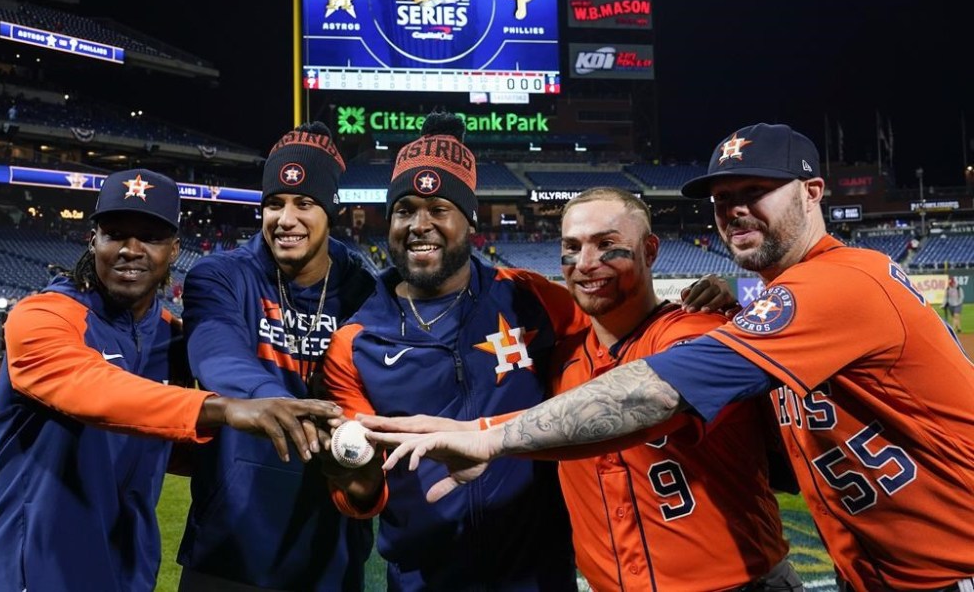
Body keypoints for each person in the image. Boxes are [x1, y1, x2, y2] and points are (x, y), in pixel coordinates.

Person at [377, 123, 974, 592]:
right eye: (722, 198)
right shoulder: (753, 314)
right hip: (874, 572)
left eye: (756, 191)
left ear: (813, 192)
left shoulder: (832, 287)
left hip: (948, 567)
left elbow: (662, 389)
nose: (734, 209)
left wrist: (486, 436)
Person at [364, 186, 799, 592]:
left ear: (650, 251)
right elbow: (550, 417)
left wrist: (485, 436)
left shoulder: (699, 333)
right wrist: (466, 431)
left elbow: (628, 403)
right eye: (571, 248)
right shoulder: (564, 355)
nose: (586, 262)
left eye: (606, 244)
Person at [0, 169, 343, 592]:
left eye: (150, 237)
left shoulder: (172, 338)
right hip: (27, 573)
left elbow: (164, 441)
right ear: (93, 240)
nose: (131, 249)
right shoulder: (43, 316)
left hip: (125, 575)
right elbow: (92, 387)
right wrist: (223, 408)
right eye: (115, 234)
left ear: (174, 250)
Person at [321, 112, 588, 591]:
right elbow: (363, 495)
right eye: (405, 211)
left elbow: (617, 340)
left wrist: (701, 300)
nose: (419, 225)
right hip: (426, 579)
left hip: (539, 572)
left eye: (438, 209)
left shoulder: (529, 297)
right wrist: (351, 481)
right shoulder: (355, 342)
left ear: (468, 220)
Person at [176, 123, 377, 591]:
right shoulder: (221, 275)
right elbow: (215, 352)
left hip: (331, 547)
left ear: (332, 210)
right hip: (230, 546)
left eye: (304, 203)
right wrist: (272, 402)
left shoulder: (365, 290)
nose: (285, 219)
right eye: (274, 203)